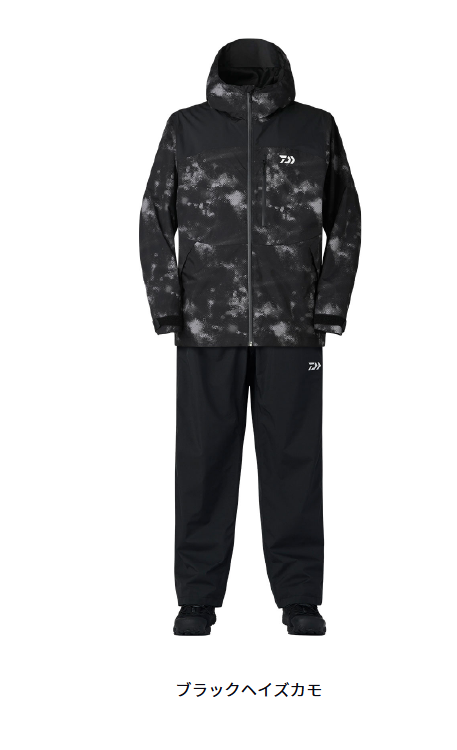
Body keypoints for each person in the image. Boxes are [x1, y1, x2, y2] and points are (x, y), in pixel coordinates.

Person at [139, 38, 362, 635]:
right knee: (203, 464)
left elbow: (345, 216)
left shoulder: (315, 127)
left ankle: (300, 599)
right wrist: (168, 307)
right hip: (206, 327)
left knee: (295, 464)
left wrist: (328, 306)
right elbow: (154, 215)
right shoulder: (186, 128)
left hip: (294, 327)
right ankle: (197, 599)